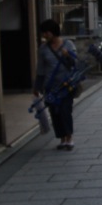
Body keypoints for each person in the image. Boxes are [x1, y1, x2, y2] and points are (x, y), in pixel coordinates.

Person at [34, 19, 78, 150]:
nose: (44, 35)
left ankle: (69, 137)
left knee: (65, 111)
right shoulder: (43, 49)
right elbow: (40, 69)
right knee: (55, 113)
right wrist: (37, 87)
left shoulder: (68, 45)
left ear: (52, 32)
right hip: (50, 87)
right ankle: (62, 138)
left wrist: (67, 56)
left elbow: (74, 64)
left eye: (46, 33)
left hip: (66, 85)